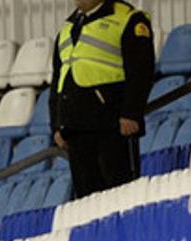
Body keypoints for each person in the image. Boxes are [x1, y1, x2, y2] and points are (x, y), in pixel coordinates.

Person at [50, 0, 156, 199]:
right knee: (87, 200)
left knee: (120, 195)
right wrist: (57, 125)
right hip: (75, 129)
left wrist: (131, 113)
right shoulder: (68, 26)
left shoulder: (128, 19)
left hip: (112, 127)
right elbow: (58, 79)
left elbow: (141, 71)